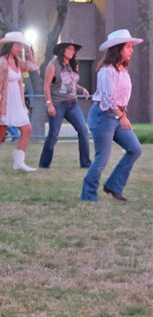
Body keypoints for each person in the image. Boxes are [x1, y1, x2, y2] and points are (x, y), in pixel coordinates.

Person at [81, 29, 143, 202]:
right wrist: (122, 117)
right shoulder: (106, 71)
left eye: (131, 47)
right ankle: (88, 194)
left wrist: (122, 115)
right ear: (118, 49)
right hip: (103, 116)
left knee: (135, 149)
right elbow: (108, 99)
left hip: (117, 115)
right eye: (128, 47)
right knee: (103, 157)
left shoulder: (123, 70)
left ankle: (113, 186)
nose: (132, 50)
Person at [0, 31, 39, 172]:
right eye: (17, 45)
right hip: (3, 103)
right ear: (9, 45)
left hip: (17, 102)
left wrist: (29, 52)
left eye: (21, 45)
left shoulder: (17, 61)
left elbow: (32, 67)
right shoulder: (1, 63)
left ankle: (19, 162)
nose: (19, 47)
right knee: (0, 135)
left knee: (27, 129)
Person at [39, 39, 91, 169]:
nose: (72, 51)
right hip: (57, 104)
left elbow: (71, 82)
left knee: (83, 130)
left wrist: (81, 89)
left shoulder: (74, 65)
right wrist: (49, 104)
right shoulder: (53, 65)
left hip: (72, 104)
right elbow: (46, 87)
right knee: (53, 134)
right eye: (69, 49)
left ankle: (85, 163)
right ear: (63, 50)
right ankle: (44, 165)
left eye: (74, 49)